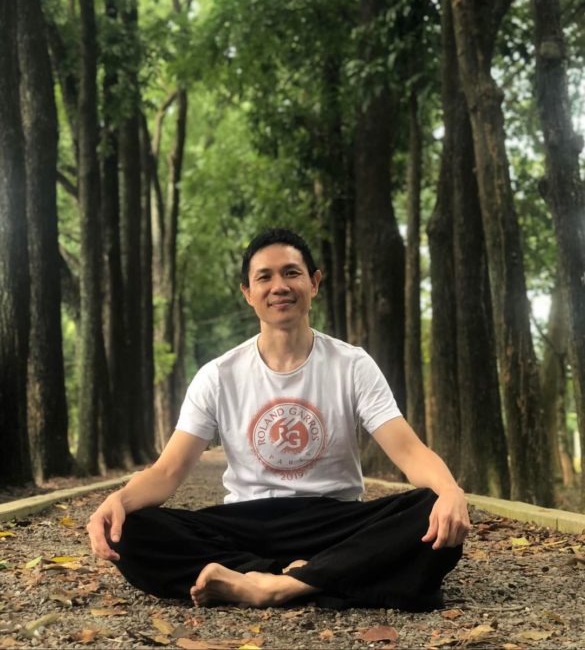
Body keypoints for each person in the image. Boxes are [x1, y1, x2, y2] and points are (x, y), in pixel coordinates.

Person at [87, 228, 470, 611]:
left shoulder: (352, 365)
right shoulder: (218, 375)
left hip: (334, 521)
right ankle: (327, 577)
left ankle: (269, 585)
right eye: (264, 277)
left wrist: (450, 491)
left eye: (291, 273)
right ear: (247, 292)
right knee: (129, 529)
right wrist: (119, 499)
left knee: (430, 512)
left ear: (314, 283)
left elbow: (409, 451)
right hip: (247, 522)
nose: (279, 286)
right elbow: (167, 471)